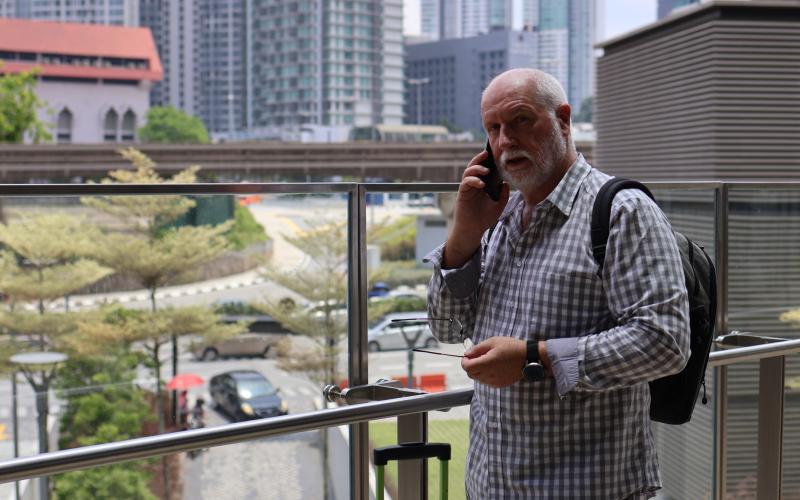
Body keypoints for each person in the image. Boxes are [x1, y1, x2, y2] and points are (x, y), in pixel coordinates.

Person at [425, 68, 690, 499]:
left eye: (521, 121)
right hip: (492, 487)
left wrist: (536, 357)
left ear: (563, 120)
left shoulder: (622, 212)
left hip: (588, 488)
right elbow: (446, 328)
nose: (505, 140)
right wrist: (462, 237)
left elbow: (666, 342)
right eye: (493, 129)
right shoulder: (496, 220)